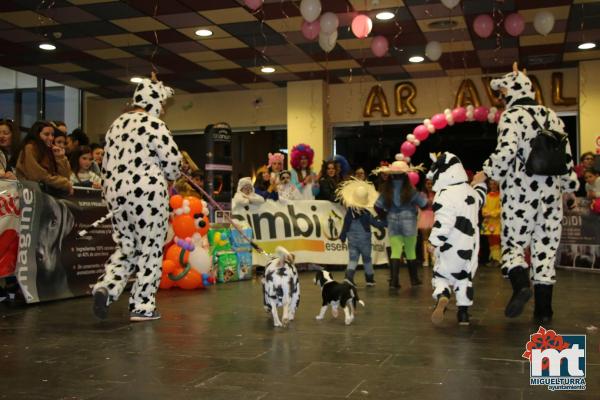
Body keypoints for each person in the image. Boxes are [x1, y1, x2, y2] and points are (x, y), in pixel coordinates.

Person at [480, 62, 579, 324]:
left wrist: (487, 172)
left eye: (501, 94)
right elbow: (566, 158)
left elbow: (507, 152)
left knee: (513, 245)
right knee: (545, 251)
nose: (500, 100)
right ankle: (544, 312)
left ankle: (521, 286)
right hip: (551, 195)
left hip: (520, 194)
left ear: (510, 92)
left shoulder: (512, 116)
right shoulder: (553, 116)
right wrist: (570, 186)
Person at [92, 74, 181, 322]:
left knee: (127, 246)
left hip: (115, 195)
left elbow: (106, 164)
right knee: (150, 248)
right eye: (162, 105)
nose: (162, 110)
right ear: (154, 102)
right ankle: (142, 305)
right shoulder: (154, 125)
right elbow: (173, 163)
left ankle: (107, 287)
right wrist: (171, 175)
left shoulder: (116, 125)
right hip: (147, 193)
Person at [426, 153, 487, 326]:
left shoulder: (444, 194)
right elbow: (481, 198)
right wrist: (480, 182)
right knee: (464, 278)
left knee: (441, 276)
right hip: (470, 247)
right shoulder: (470, 192)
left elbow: (444, 222)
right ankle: (463, 314)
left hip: (450, 246)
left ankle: (443, 295)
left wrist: (433, 242)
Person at [373, 160, 428, 289]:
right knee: (410, 251)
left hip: (392, 221)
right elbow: (424, 204)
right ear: (405, 175)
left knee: (395, 251)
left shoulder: (387, 189)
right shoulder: (411, 190)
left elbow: (377, 206)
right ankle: (414, 280)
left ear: (392, 174)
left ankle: (394, 281)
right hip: (409, 221)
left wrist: (385, 218)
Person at [337, 178, 386, 286]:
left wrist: (342, 236)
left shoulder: (349, 213)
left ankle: (348, 277)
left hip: (352, 239)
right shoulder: (366, 214)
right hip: (365, 240)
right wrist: (385, 223)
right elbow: (376, 224)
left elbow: (346, 225)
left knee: (353, 258)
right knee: (367, 259)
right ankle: (369, 279)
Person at [15, 121, 73, 195]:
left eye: (52, 135)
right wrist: (64, 183)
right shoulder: (30, 148)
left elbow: (66, 176)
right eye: (46, 134)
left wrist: (60, 158)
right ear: (37, 134)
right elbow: (38, 176)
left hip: (45, 195)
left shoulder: (50, 150)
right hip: (30, 196)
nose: (51, 138)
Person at [481, 179, 501, 267]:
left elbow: (501, 209)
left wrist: (492, 213)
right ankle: (493, 258)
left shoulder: (500, 197)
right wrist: (485, 213)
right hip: (488, 222)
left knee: (496, 241)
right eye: (491, 184)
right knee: (491, 242)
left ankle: (497, 259)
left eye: (494, 184)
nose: (492, 186)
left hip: (496, 222)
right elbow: (484, 208)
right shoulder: (487, 196)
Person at [417, 178, 435, 267]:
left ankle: (433, 259)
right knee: (425, 239)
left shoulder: (437, 193)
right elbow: (418, 205)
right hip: (425, 216)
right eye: (428, 184)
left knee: (434, 239)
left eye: (431, 184)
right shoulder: (422, 194)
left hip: (435, 216)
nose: (430, 186)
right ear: (425, 184)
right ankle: (426, 259)